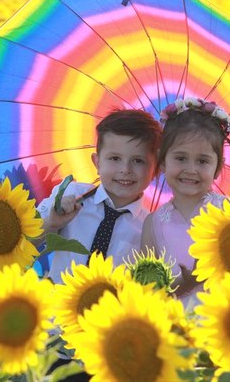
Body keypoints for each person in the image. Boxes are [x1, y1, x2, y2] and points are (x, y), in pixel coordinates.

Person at [37, 108, 161, 284]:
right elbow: (27, 243)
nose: (125, 170)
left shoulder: (150, 230)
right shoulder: (70, 196)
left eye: (138, 161)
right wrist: (52, 223)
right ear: (97, 162)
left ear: (155, 169)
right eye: (115, 158)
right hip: (55, 305)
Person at [140, 97, 230, 304]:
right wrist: (184, 284)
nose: (191, 170)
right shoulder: (153, 224)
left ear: (218, 167)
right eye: (181, 158)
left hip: (224, 316)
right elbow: (148, 289)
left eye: (202, 161)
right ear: (162, 161)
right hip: (176, 322)